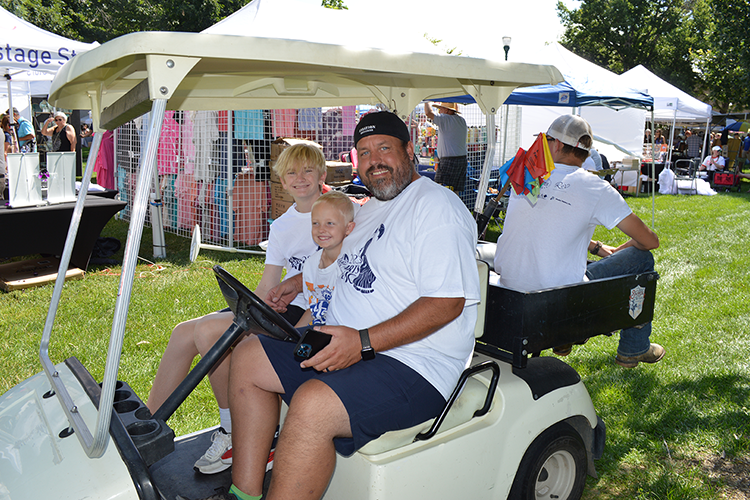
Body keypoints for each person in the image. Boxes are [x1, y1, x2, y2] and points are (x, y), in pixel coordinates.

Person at [221, 111, 479, 500]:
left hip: (415, 362)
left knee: (311, 404)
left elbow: (447, 303)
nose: (374, 159)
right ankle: (244, 493)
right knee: (248, 357)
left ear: (409, 151)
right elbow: (344, 261)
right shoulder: (369, 207)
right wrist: (296, 283)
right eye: (364, 151)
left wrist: (361, 341)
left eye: (384, 148)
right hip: (347, 339)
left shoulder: (436, 207)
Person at [146, 143, 328, 474]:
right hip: (284, 307)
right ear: (282, 182)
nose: (300, 179)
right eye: (291, 173)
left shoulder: (333, 212)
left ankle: (235, 430)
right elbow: (268, 282)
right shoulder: (283, 226)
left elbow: (335, 265)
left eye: (308, 171)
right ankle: (147, 430)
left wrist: (288, 290)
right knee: (184, 332)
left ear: (322, 175)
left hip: (312, 312)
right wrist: (258, 303)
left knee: (209, 331)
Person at [493, 114, 663, 368]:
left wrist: (594, 246)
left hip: (510, 290)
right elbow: (650, 241)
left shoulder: (527, 177)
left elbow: (548, 228)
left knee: (570, 268)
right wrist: (624, 248)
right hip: (560, 299)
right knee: (643, 258)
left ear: (557, 145)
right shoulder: (595, 187)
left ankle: (564, 338)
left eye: (546, 139)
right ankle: (633, 347)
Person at [296, 190, 356, 328]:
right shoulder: (310, 265)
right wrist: (293, 337)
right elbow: (313, 308)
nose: (321, 229)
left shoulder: (349, 266)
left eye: (329, 223)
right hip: (316, 331)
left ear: (348, 228)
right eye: (315, 223)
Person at [424, 101, 468, 192]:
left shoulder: (445, 119)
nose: (439, 112)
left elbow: (428, 113)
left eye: (441, 109)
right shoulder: (461, 120)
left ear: (447, 110)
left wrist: (426, 100)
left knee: (441, 189)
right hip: (462, 159)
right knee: (455, 191)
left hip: (449, 161)